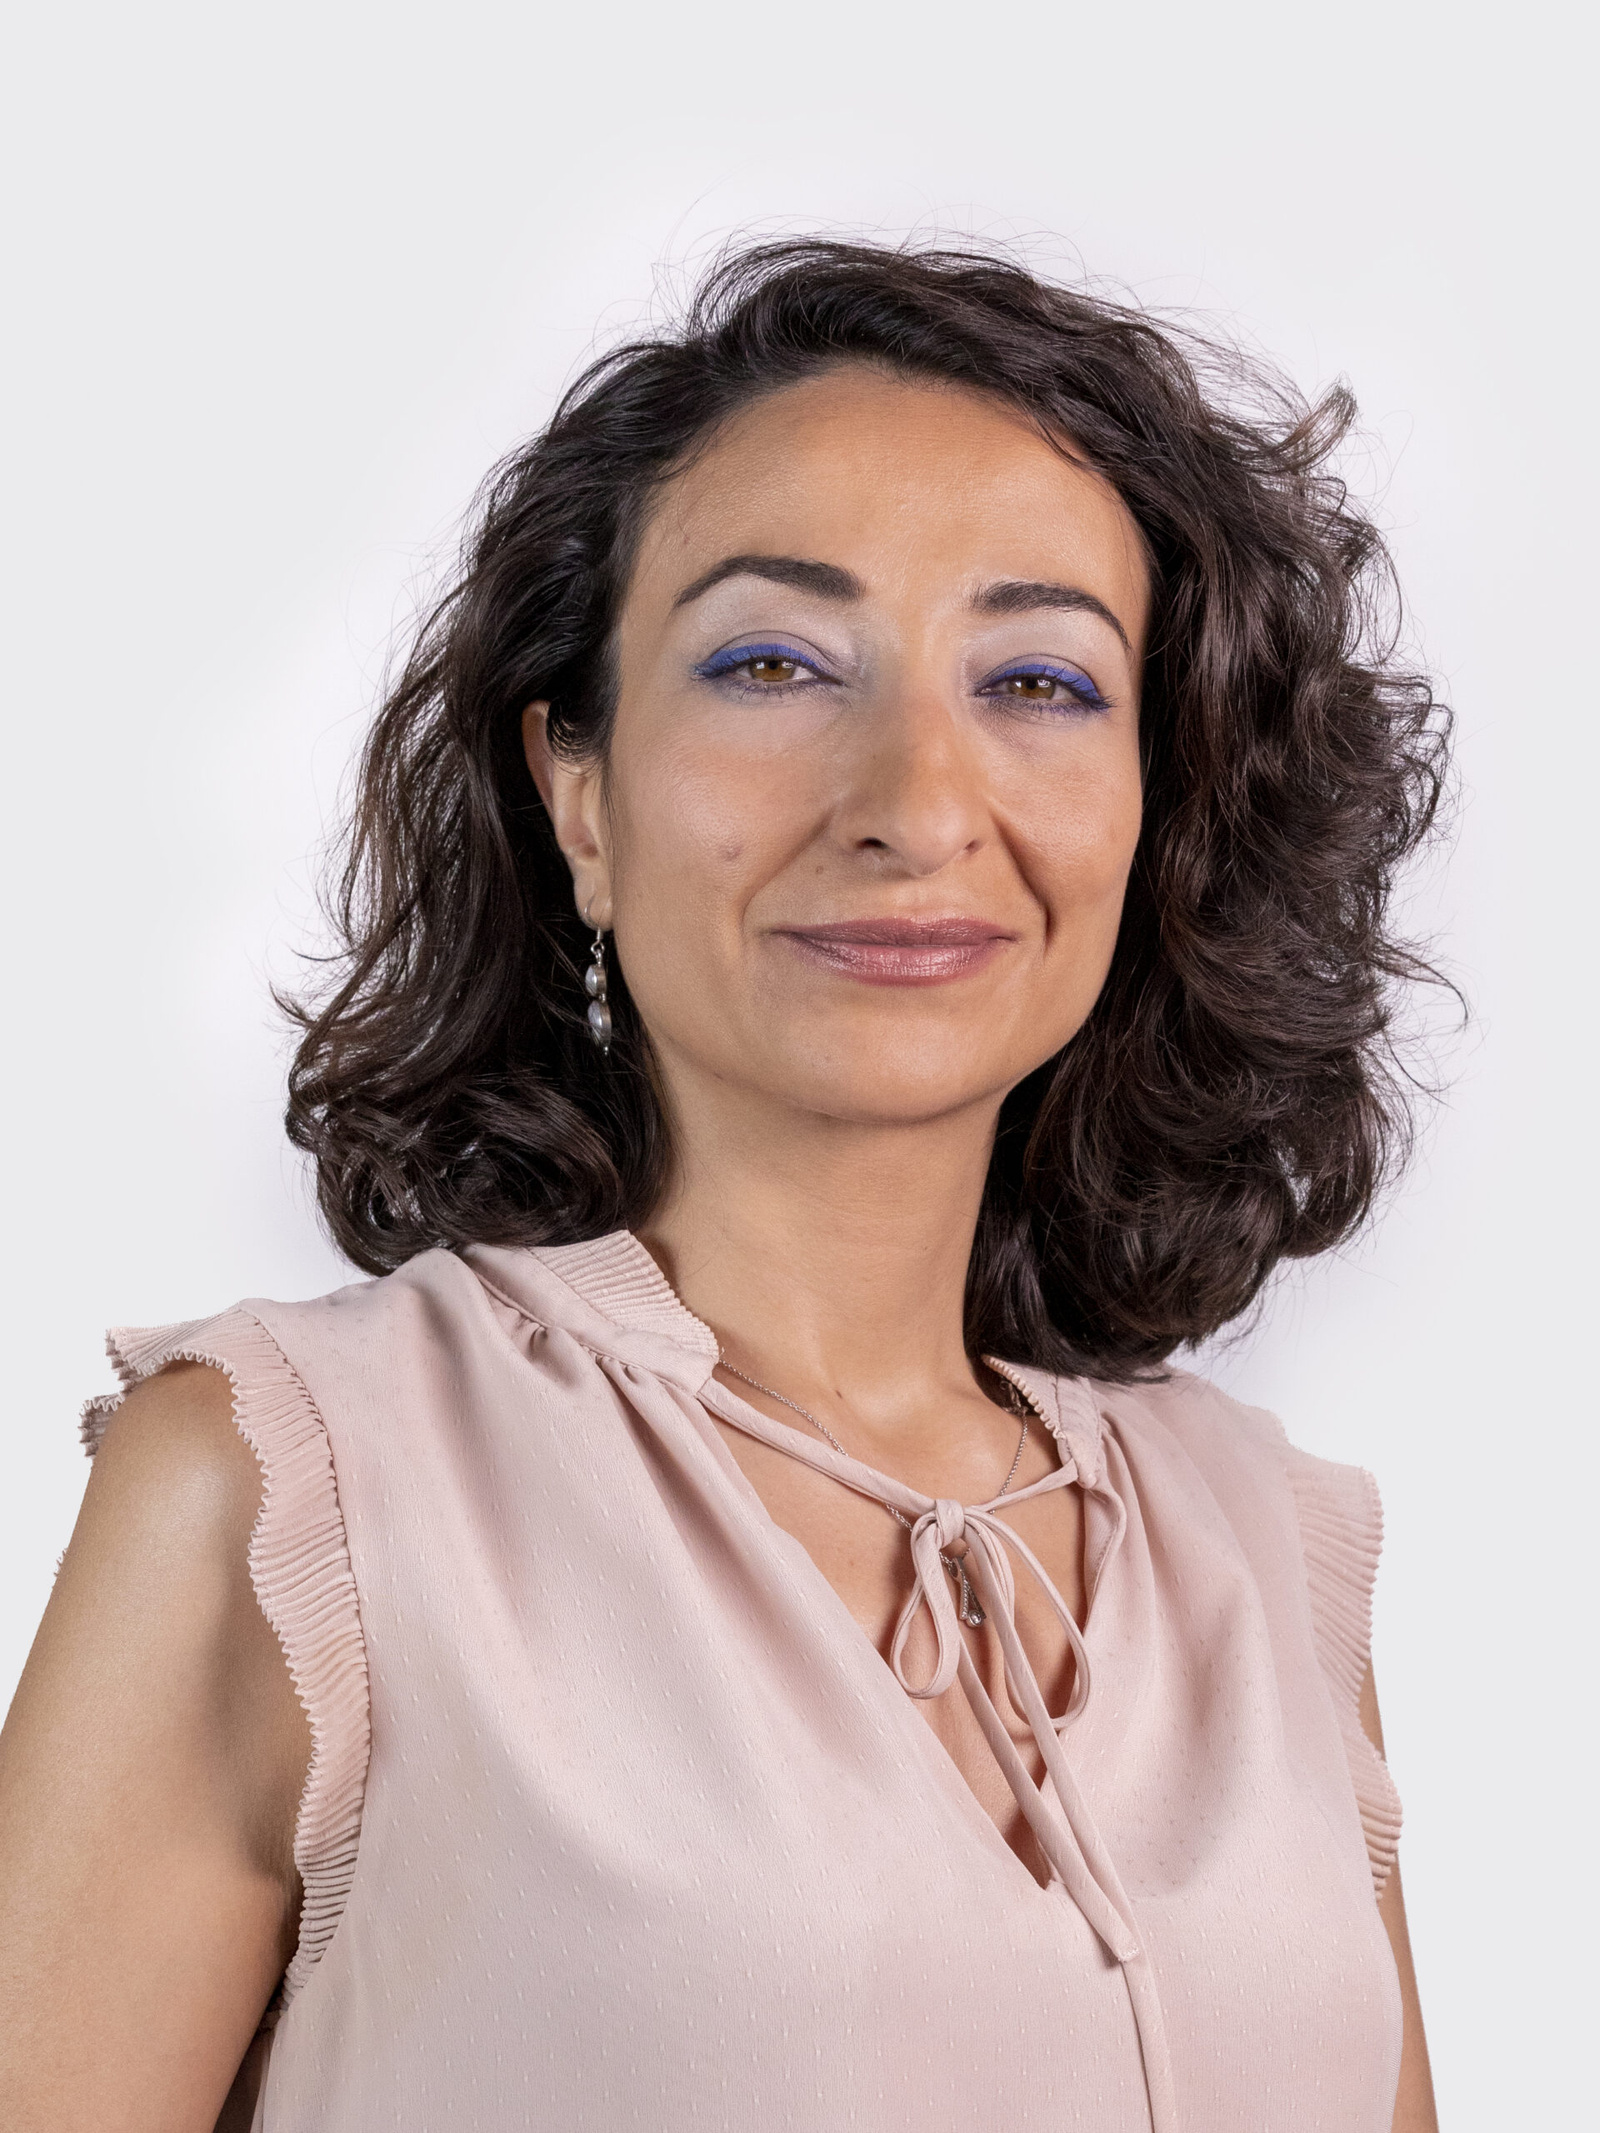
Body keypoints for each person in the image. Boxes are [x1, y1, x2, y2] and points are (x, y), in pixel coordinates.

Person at [0, 239, 1445, 2132]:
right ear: (578, 793)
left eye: (1039, 680)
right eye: (772, 664)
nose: (916, 802)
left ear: (1153, 808)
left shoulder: (1267, 1544)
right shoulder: (292, 1484)